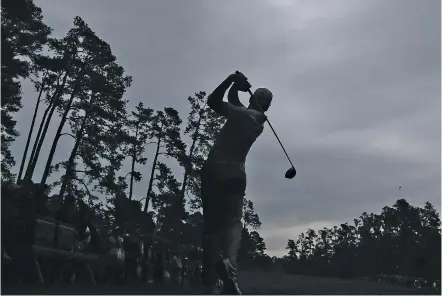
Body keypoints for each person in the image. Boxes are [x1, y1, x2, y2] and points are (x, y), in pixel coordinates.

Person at [201, 71, 272, 294]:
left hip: (215, 170)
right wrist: (237, 88)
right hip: (237, 175)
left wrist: (231, 79)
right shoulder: (258, 121)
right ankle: (230, 266)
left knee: (212, 229)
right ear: (267, 106)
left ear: (253, 100)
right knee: (233, 222)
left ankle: (212, 282)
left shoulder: (242, 115)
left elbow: (213, 101)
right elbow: (235, 102)